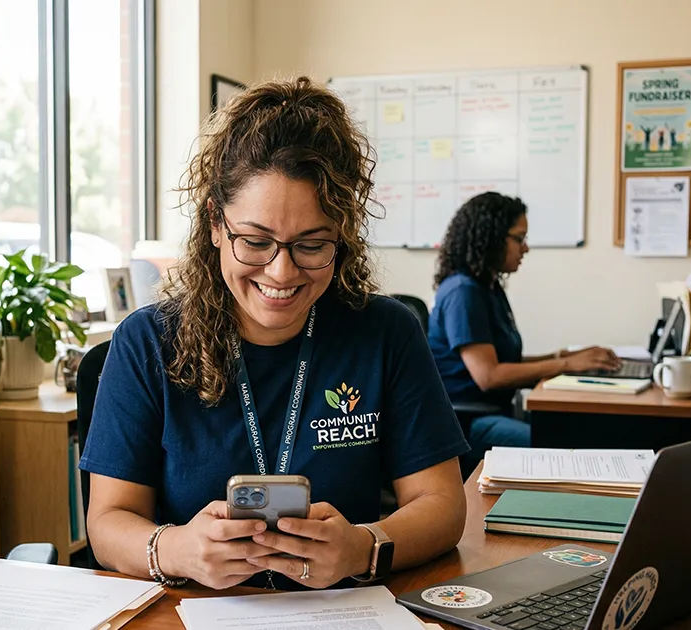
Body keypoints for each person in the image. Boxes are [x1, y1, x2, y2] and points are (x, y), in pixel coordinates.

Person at [79, 77, 470, 592]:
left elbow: (442, 506)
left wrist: (364, 545)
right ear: (216, 224)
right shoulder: (147, 343)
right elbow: (107, 522)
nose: (282, 273)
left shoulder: (387, 333)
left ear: (342, 235)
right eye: (257, 241)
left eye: (311, 245)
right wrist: (180, 550)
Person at [428, 192, 620, 469]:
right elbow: (489, 376)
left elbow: (506, 363)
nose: (525, 248)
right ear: (491, 237)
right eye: (519, 239)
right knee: (565, 448)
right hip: (467, 424)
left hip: (494, 412)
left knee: (580, 431)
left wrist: (564, 358)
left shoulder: (487, 287)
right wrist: (565, 364)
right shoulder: (463, 293)